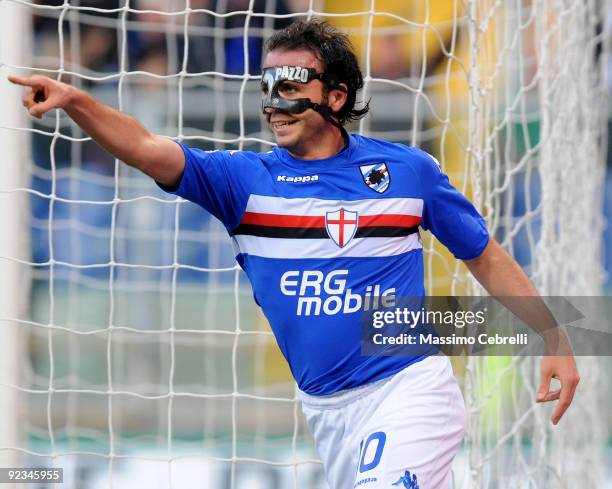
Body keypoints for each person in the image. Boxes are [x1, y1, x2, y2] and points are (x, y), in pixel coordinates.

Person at [8, 18, 579, 489]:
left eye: (291, 86)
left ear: (336, 96)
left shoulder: (408, 173)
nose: (275, 103)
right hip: (328, 413)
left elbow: (484, 255)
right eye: (268, 86)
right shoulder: (242, 182)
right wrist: (79, 102)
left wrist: (553, 336)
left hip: (410, 389)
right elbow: (145, 147)